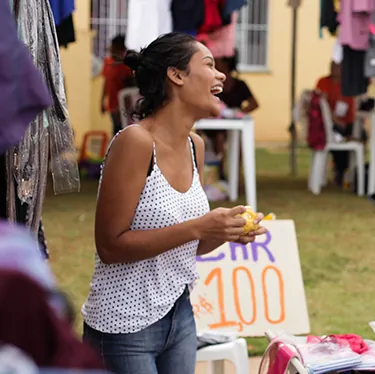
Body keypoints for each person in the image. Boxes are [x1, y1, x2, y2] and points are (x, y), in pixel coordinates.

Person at [82, 32, 267, 374]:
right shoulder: (135, 142)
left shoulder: (195, 145)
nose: (221, 74)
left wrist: (223, 231)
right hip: (124, 326)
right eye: (209, 65)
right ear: (176, 75)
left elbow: (189, 244)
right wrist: (199, 226)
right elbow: (110, 246)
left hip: (179, 317)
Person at [203, 52, 258, 180]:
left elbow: (254, 103)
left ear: (226, 64)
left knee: (237, 143)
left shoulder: (239, 85)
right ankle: (219, 174)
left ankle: (236, 177)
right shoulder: (211, 84)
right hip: (214, 126)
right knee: (218, 138)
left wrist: (238, 112)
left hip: (234, 125)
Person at [315, 61, 360, 187]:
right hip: (329, 124)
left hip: (347, 121)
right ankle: (340, 171)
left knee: (359, 135)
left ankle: (353, 172)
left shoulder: (347, 85)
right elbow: (323, 104)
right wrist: (335, 120)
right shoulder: (324, 82)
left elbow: (352, 107)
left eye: (338, 66)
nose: (334, 69)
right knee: (339, 136)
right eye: (333, 66)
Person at [101, 34, 134, 135]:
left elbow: (128, 88)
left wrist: (124, 108)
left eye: (113, 47)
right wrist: (102, 101)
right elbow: (105, 83)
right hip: (112, 104)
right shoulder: (108, 62)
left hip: (122, 107)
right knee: (115, 129)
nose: (110, 49)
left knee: (120, 131)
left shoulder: (126, 66)